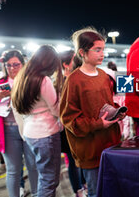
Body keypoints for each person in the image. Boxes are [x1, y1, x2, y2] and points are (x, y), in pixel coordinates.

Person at [60, 27, 125, 197]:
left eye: (103, 49)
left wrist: (117, 112)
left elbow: (106, 105)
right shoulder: (74, 81)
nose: (102, 53)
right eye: (97, 50)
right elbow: (69, 120)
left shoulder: (104, 75)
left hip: (110, 144)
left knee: (112, 189)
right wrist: (98, 124)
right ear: (82, 52)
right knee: (96, 192)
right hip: (90, 150)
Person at [0, 50, 38, 196]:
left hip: (30, 128)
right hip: (8, 131)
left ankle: (37, 193)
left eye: (16, 65)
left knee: (33, 166)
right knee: (13, 169)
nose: (12, 68)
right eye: (8, 65)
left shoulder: (30, 80)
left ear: (23, 64)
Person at [11, 45, 63, 197]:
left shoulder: (22, 77)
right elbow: (56, 109)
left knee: (44, 176)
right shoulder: (43, 80)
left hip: (30, 132)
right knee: (49, 181)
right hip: (46, 133)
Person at [59, 49, 86, 197]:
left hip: (80, 126)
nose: (79, 63)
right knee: (73, 160)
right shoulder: (61, 82)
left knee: (81, 158)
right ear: (65, 64)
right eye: (75, 60)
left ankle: (84, 185)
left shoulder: (77, 79)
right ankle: (78, 190)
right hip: (68, 128)